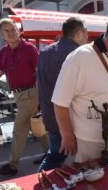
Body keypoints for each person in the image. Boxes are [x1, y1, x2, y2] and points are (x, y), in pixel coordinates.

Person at [53, 12, 108, 163]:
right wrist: (67, 136)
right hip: (90, 144)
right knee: (93, 183)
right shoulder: (80, 57)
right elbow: (60, 102)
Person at [0, 17, 48, 176]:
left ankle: (12, 165)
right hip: (18, 94)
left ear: (19, 31)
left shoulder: (29, 49)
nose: (10, 33)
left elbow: (40, 72)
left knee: (19, 127)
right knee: (35, 125)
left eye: (13, 30)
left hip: (31, 92)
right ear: (2, 34)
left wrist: (41, 95)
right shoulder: (4, 51)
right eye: (6, 30)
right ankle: (50, 153)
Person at [36, 17, 88, 171]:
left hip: (49, 111)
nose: (87, 37)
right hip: (69, 117)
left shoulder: (45, 51)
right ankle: (41, 182)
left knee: (56, 153)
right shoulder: (78, 54)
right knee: (56, 157)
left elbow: (38, 82)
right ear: (78, 33)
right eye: (86, 33)